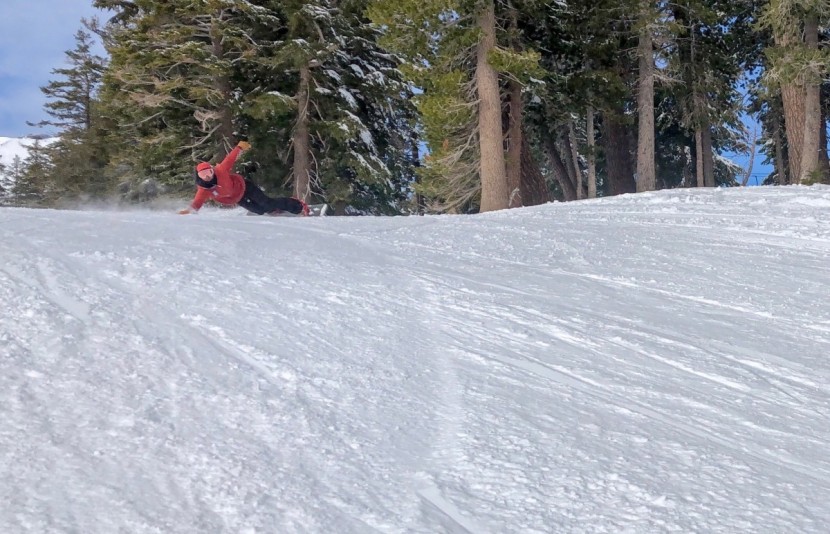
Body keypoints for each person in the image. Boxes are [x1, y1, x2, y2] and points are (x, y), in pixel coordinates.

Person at [178, 140, 309, 216]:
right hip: (237, 199)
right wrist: (188, 212)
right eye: (203, 174)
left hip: (245, 187)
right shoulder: (204, 188)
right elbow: (197, 203)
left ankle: (298, 206)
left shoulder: (221, 170)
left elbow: (230, 158)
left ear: (212, 170)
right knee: (259, 210)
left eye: (209, 172)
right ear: (198, 175)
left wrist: (240, 147)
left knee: (266, 202)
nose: (207, 176)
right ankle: (276, 209)